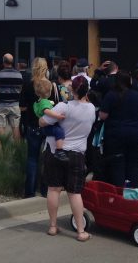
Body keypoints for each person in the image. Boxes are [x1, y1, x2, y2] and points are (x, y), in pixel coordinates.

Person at [41, 75, 96, 241]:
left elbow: (43, 122)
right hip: (77, 154)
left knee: (53, 189)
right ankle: (81, 231)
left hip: (55, 151)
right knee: (74, 193)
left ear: (72, 90)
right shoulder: (92, 109)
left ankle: (52, 226)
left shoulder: (63, 107)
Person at [19, 57, 58, 197]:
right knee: (47, 159)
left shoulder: (28, 85)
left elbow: (22, 106)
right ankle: (45, 189)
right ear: (45, 68)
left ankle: (29, 191)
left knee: (32, 158)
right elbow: (55, 105)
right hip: (47, 125)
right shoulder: (51, 85)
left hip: (32, 125)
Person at [99, 71, 138, 189]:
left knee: (117, 166)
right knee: (133, 165)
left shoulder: (111, 95)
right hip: (136, 134)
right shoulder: (136, 95)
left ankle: (119, 194)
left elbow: (103, 115)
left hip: (116, 135)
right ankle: (133, 193)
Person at [33, 78, 68, 159]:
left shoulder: (39, 101)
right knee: (59, 131)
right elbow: (66, 102)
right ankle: (59, 151)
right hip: (48, 126)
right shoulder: (63, 87)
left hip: (43, 126)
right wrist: (57, 116)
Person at [0, 53, 23, 140]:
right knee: (16, 127)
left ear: (3, 61)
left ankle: (2, 148)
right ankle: (18, 149)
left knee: (1, 126)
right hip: (15, 104)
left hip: (1, 104)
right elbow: (20, 89)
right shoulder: (18, 74)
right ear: (12, 62)